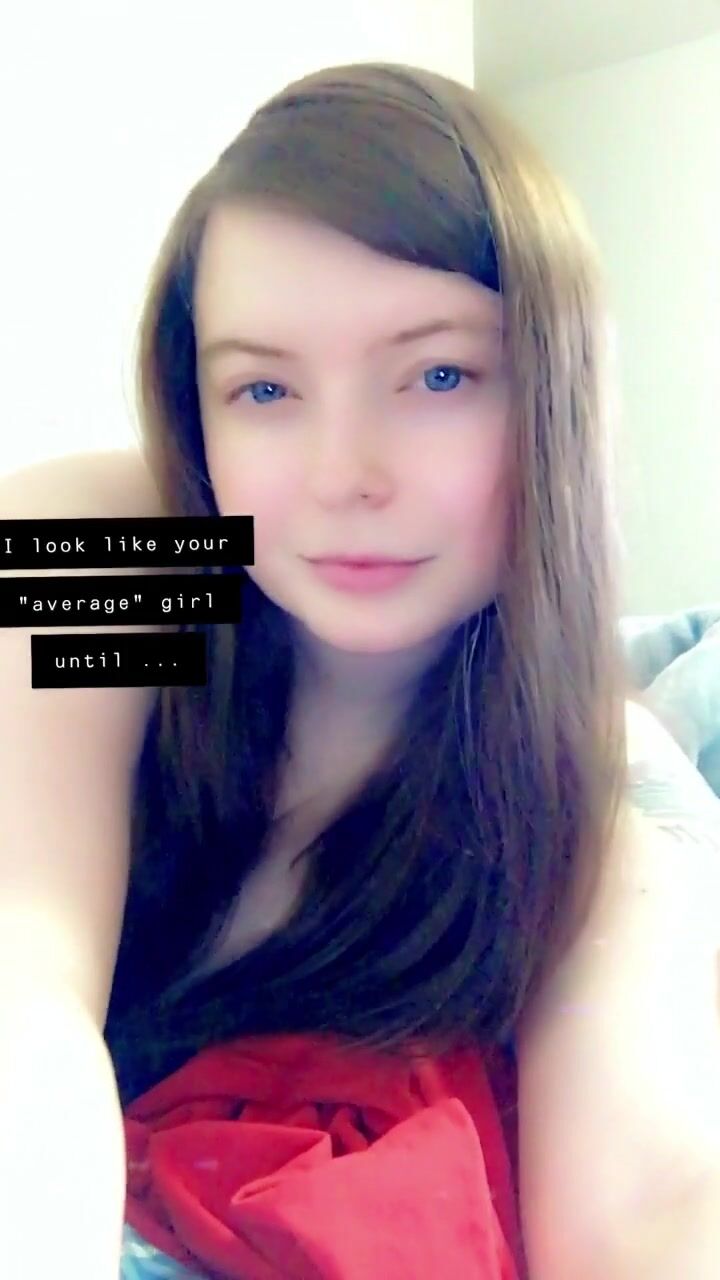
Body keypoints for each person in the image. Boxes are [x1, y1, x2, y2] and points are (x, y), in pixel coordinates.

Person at [1, 60, 719, 1280]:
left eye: (439, 375)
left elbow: (649, 1208)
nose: (344, 474)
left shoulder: (599, 787)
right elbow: (21, 983)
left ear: (552, 394)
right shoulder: (118, 546)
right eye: (264, 387)